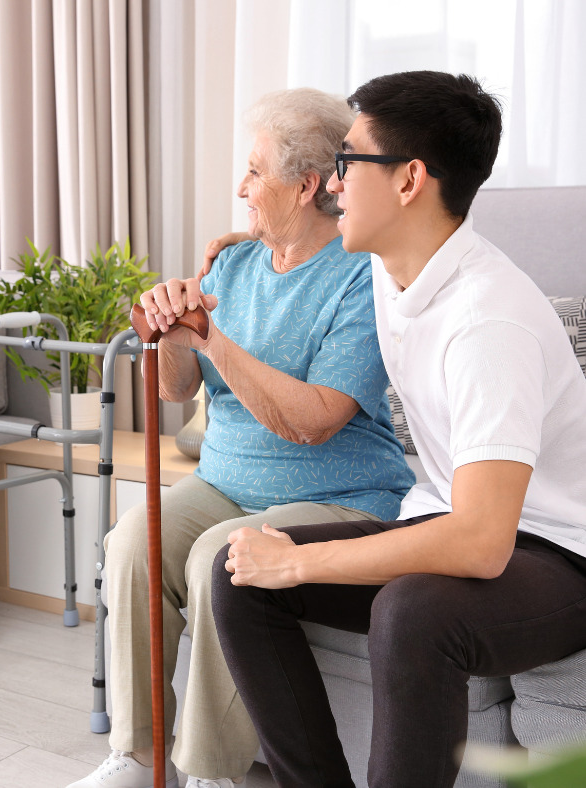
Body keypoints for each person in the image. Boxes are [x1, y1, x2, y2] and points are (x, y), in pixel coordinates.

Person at [211, 71, 586, 788]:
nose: (332, 184)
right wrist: (249, 241)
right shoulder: (394, 264)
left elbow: (481, 542)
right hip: (458, 523)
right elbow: (312, 248)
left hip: (559, 556)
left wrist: (300, 560)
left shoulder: (488, 320)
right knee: (240, 575)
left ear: (410, 180)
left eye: (349, 162)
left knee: (414, 612)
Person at [68, 89, 414, 788]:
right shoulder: (233, 264)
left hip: (341, 496)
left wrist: (211, 338)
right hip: (226, 482)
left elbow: (315, 421)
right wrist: (169, 325)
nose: (240, 188)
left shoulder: (360, 278)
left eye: (254, 172)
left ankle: (209, 772)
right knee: (131, 541)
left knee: (218, 562)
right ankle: (139, 759)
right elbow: (175, 389)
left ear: (307, 184)